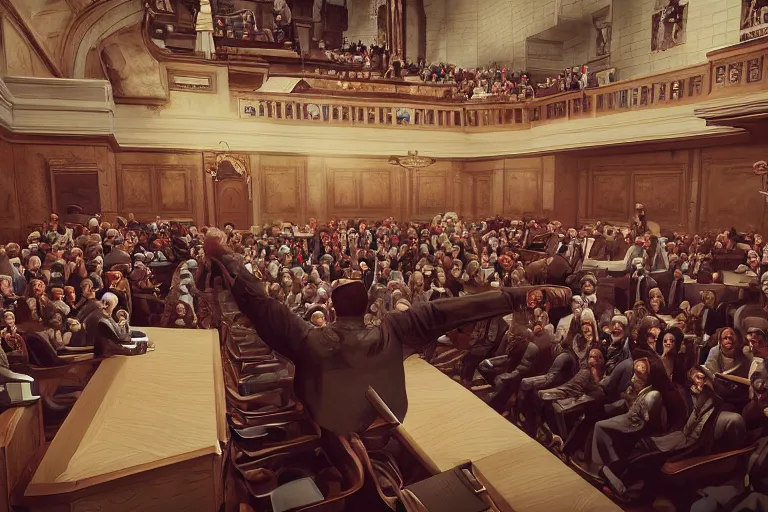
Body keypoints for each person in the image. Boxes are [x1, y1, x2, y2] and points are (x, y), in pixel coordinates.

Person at [202, 230, 569, 435]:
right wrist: (525, 295)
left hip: (330, 431)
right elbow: (462, 308)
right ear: (364, 307)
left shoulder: (308, 339)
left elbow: (260, 305)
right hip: (383, 428)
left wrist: (227, 258)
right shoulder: (393, 330)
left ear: (332, 307)